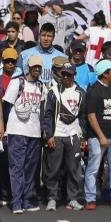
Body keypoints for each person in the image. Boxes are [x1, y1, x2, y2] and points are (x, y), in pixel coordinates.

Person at [1, 55, 48, 213]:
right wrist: (6, 128)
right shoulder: (18, 82)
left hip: (34, 133)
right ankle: (16, 202)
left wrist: (42, 129)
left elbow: (42, 109)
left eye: (39, 67)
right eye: (34, 66)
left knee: (30, 168)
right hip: (17, 131)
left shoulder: (42, 86)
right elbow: (6, 106)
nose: (36, 69)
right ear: (28, 67)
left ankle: (27, 200)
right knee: (17, 167)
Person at [39, 57, 85, 211]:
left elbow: (83, 117)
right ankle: (52, 197)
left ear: (74, 75)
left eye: (68, 75)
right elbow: (47, 114)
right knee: (53, 168)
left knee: (74, 169)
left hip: (73, 135)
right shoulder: (54, 92)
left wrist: (82, 136)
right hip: (57, 134)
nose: (65, 77)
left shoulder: (80, 93)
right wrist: (49, 135)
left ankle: (72, 198)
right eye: (63, 74)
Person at [83, 59, 111, 210]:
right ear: (105, 74)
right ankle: (90, 198)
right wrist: (100, 136)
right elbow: (91, 116)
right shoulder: (94, 90)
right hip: (97, 137)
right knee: (93, 167)